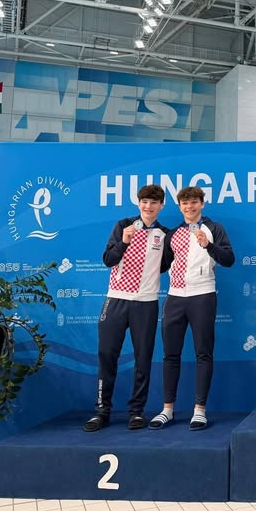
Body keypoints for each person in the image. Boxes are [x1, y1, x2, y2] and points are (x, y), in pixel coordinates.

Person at [148, 186, 235, 430]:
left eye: (194, 202)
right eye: (185, 203)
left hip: (203, 295)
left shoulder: (214, 228)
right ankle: (167, 409)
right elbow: (162, 266)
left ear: (202, 204)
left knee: (203, 353)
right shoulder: (173, 233)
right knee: (170, 355)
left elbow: (229, 259)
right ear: (179, 207)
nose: (189, 207)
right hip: (175, 297)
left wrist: (208, 245)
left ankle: (199, 410)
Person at [84, 184, 168, 432]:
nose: (148, 206)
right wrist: (123, 242)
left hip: (146, 303)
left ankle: (136, 412)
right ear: (138, 203)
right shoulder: (123, 225)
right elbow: (108, 260)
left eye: (153, 202)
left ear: (161, 205)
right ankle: (102, 411)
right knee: (107, 355)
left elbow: (164, 266)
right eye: (144, 201)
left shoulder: (165, 234)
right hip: (116, 299)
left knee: (143, 359)